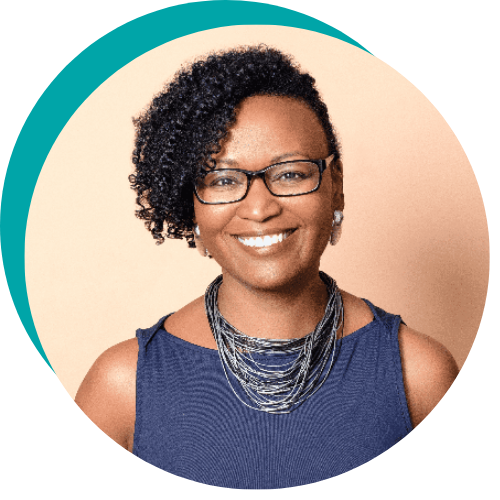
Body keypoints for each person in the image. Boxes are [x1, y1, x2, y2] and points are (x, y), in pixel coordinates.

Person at [75, 45, 460, 488]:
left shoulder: (417, 373)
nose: (259, 208)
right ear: (191, 208)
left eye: (290, 174)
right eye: (222, 180)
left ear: (334, 186)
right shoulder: (124, 386)